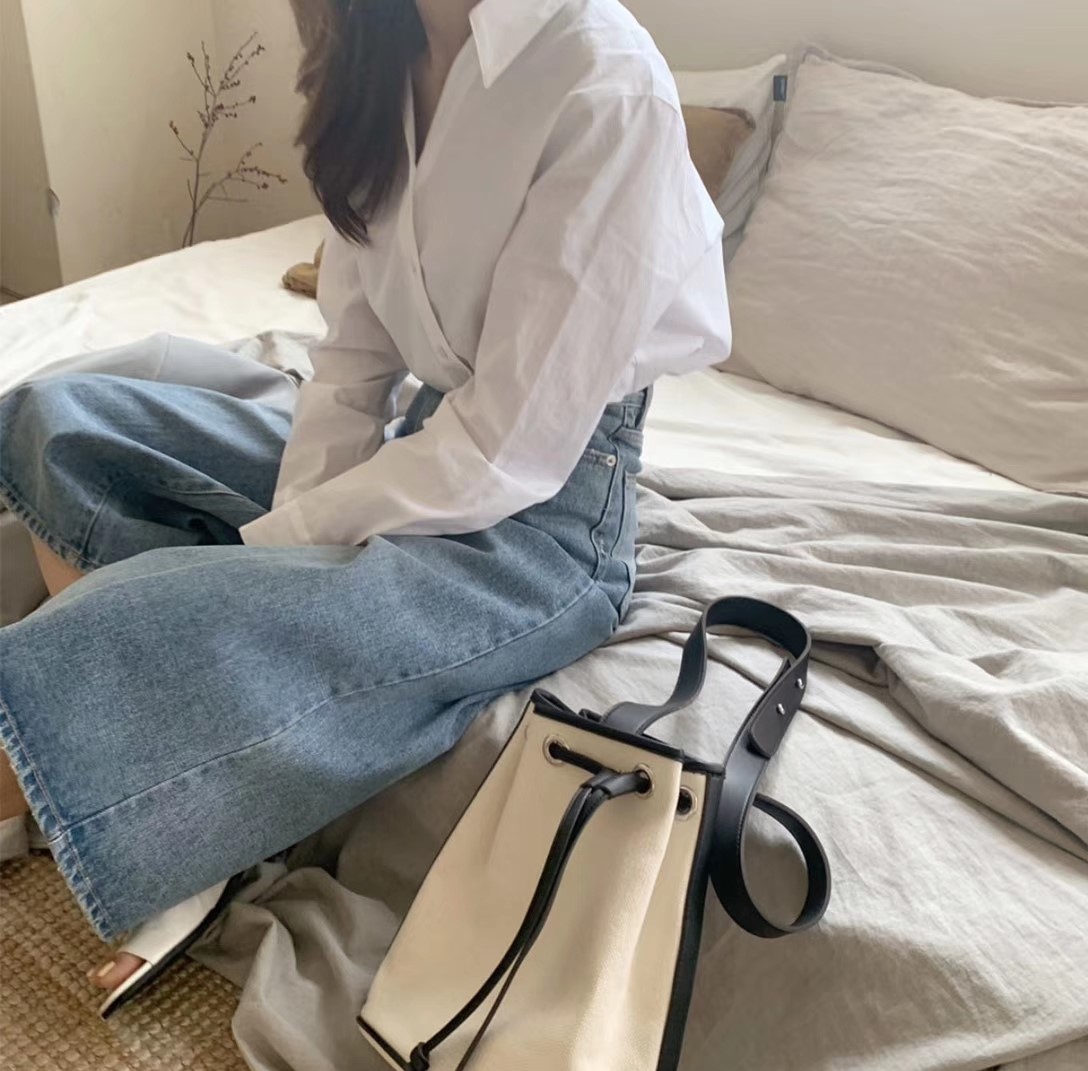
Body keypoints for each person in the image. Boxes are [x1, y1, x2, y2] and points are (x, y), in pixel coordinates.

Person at [0, 0, 730, 1016]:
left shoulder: (602, 79)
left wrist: (264, 556)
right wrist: (280, 552)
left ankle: (162, 806)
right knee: (60, 421)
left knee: (132, 618)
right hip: (420, 449)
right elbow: (350, 368)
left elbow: (506, 451)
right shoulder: (371, 46)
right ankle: (179, 778)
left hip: (541, 515)